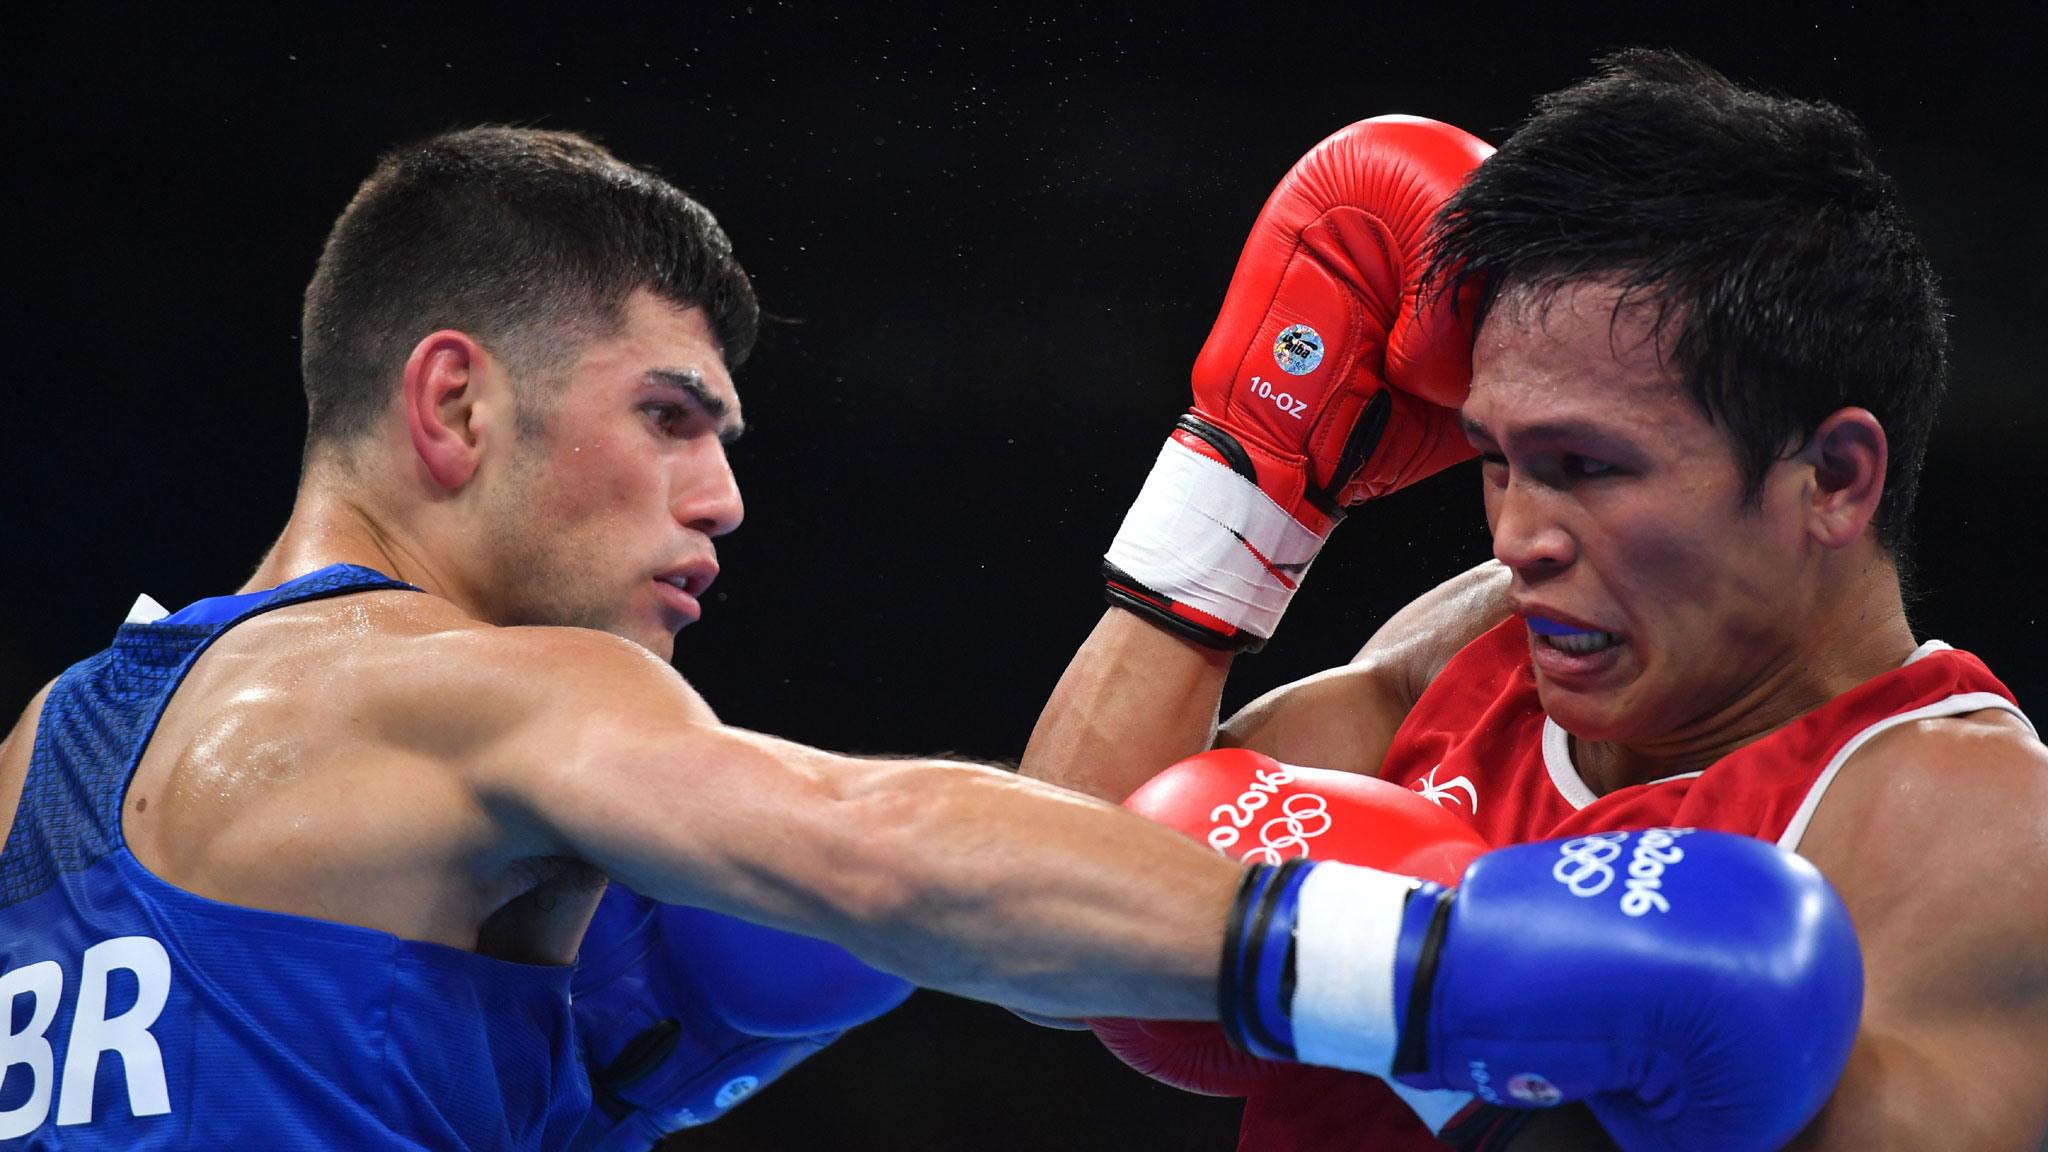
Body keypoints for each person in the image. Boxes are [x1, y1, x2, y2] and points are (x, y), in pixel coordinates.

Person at [0, 127, 1272, 1150]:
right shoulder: (496, 696)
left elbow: (1055, 870)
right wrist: (1417, 967)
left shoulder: (36, 753)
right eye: (668, 415)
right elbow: (890, 859)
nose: (721, 495)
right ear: (453, 402)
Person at [1023, 50, 2048, 1151]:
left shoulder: (1974, 825)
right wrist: (1248, 481)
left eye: (1586, 467)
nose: (1516, 540)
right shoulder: (1478, 649)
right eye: (1494, 459)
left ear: (1832, 480)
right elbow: (1050, 927)